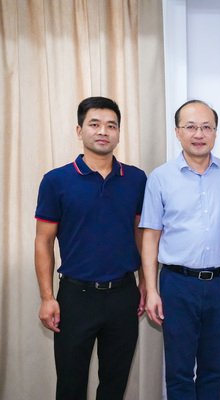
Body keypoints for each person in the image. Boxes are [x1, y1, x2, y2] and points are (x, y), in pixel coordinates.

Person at [34, 96, 147, 400]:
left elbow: (141, 234)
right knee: (70, 386)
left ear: (119, 133)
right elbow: (43, 241)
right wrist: (47, 297)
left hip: (124, 294)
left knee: (114, 385)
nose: (103, 131)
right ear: (79, 130)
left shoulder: (136, 179)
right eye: (94, 124)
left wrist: (146, 283)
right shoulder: (56, 180)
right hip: (75, 297)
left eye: (111, 125)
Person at [140, 100, 220, 400]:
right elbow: (150, 236)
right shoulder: (160, 177)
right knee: (179, 370)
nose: (198, 134)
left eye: (206, 127)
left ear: (215, 132)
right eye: (190, 127)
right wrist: (151, 290)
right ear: (177, 132)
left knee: (214, 368)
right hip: (177, 284)